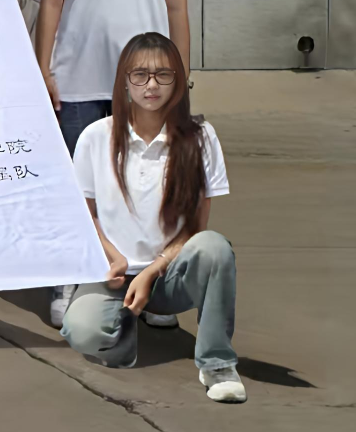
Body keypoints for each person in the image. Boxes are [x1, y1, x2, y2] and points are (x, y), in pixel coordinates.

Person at [34, 0, 197, 328]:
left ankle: (153, 284)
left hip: (149, 82)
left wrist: (180, 74)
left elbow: (176, 4)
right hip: (78, 75)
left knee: (151, 186)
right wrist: (43, 68)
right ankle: (73, 278)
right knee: (78, 185)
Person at [62, 33, 244, 403]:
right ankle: (125, 324)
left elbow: (196, 226)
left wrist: (152, 271)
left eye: (163, 75)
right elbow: (85, 214)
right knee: (83, 333)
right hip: (114, 274)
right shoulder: (96, 136)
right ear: (124, 82)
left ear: (178, 80)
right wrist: (114, 257)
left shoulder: (201, 136)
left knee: (214, 248)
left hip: (170, 274)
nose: (151, 85)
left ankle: (217, 364)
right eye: (140, 75)